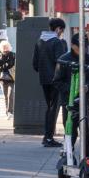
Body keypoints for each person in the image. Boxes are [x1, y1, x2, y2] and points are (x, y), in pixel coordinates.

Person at [52, 33, 89, 158]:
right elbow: (57, 81)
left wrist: (88, 87)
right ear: (73, 45)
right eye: (80, 46)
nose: (83, 48)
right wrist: (72, 89)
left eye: (85, 46)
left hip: (86, 102)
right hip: (69, 102)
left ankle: (86, 159)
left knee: (86, 132)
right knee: (70, 130)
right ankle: (68, 155)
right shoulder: (64, 59)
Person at [32, 17, 67, 147]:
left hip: (44, 79)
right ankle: (48, 137)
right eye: (61, 31)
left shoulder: (39, 41)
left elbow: (35, 64)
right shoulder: (57, 42)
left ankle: (47, 136)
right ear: (58, 29)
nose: (61, 33)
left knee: (50, 107)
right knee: (53, 108)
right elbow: (61, 62)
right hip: (55, 80)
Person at [0, 40, 15, 118]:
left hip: (11, 78)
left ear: (9, 47)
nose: (5, 48)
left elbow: (13, 64)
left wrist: (5, 65)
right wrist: (6, 65)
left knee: (11, 95)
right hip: (3, 79)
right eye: (3, 47)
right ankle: (7, 112)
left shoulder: (13, 55)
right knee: (5, 96)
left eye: (6, 46)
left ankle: (10, 112)